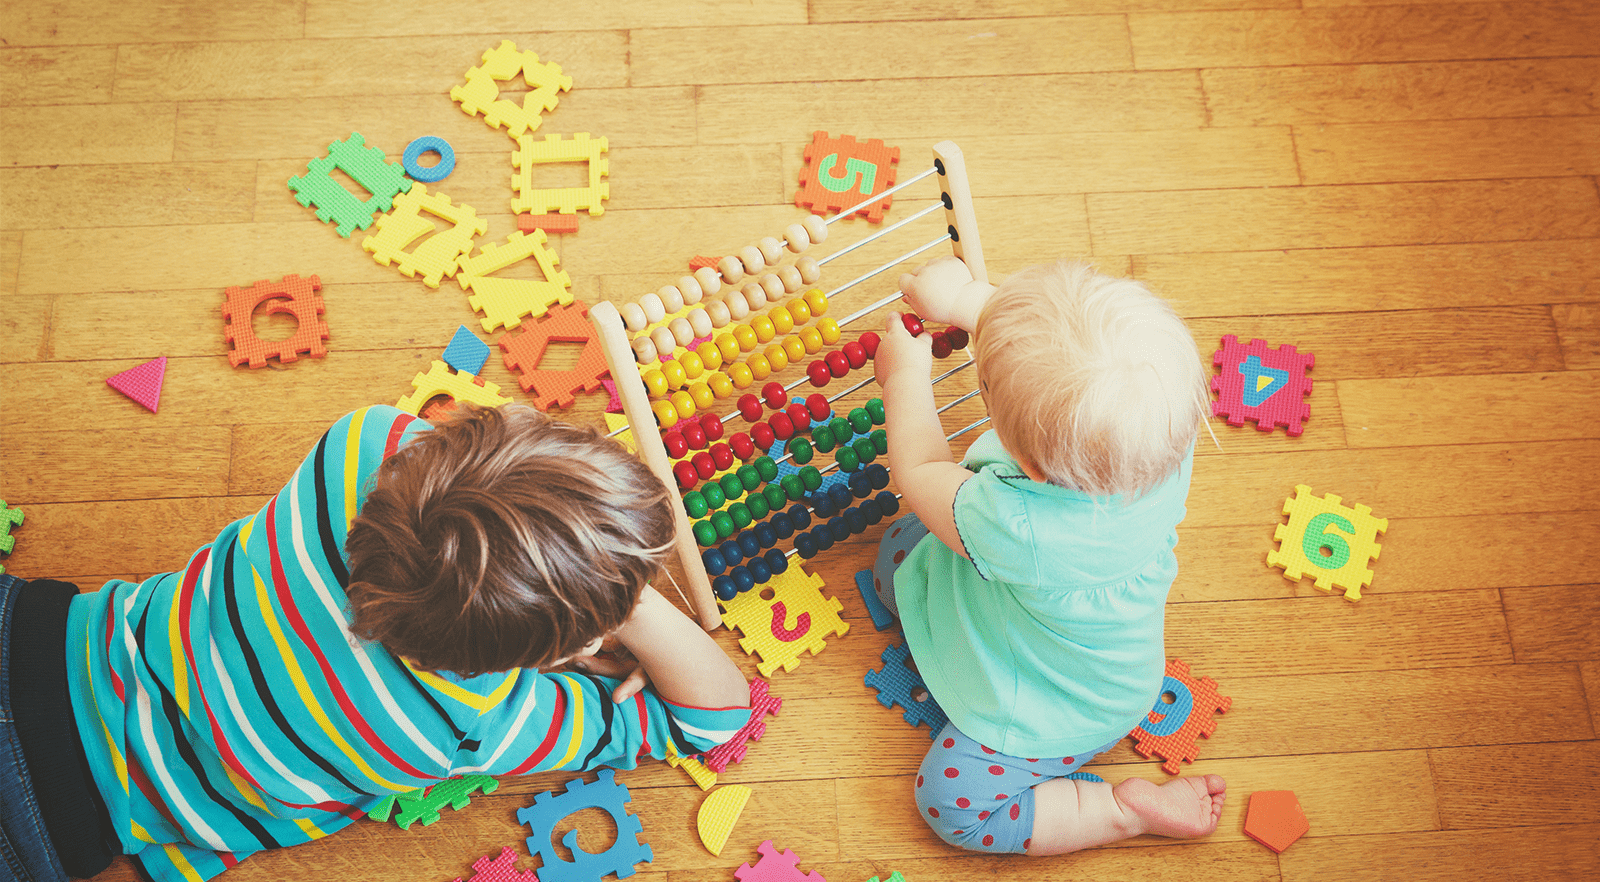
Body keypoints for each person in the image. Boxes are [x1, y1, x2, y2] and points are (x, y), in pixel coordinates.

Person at [0, 403, 750, 882]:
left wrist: (581, 597)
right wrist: (626, 614)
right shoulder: (464, 724)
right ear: (549, 656)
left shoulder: (361, 446)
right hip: (53, 815)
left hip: (25, 635)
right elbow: (715, 714)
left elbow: (464, 448)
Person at [871, 256, 1227, 856]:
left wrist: (902, 380)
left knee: (950, 804)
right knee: (898, 560)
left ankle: (1114, 812)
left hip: (1054, 705)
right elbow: (1057, 347)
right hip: (1058, 626)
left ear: (1030, 467)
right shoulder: (1164, 425)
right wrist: (966, 300)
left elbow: (920, 469)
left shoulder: (1019, 526)